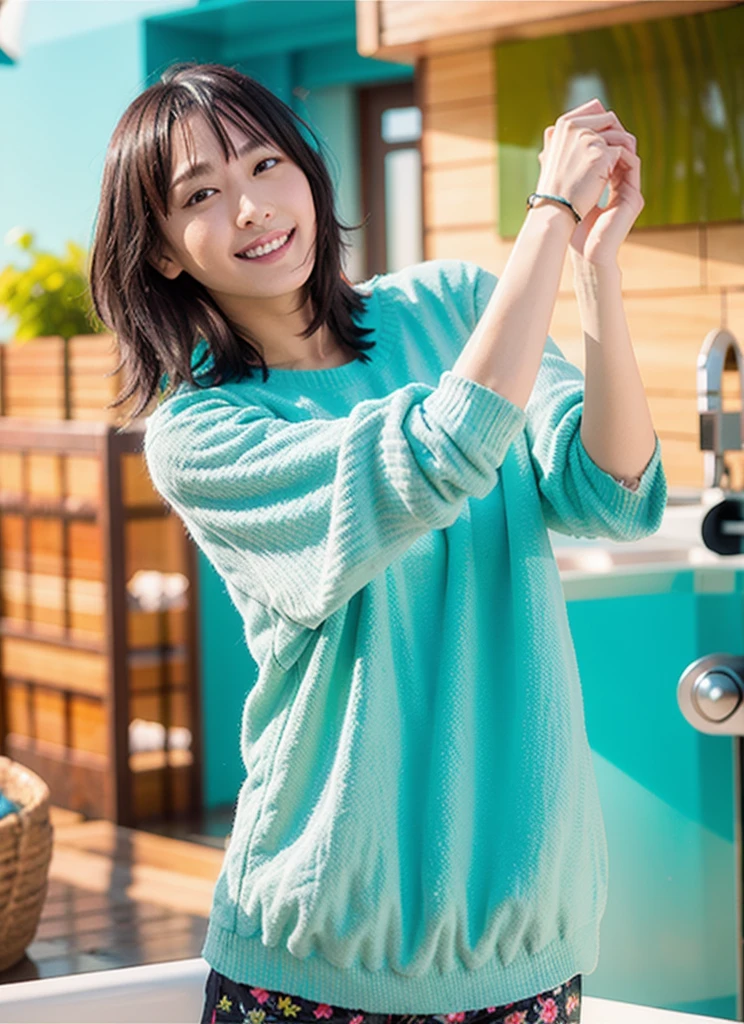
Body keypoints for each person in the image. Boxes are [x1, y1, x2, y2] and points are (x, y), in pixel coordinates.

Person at [88, 62, 666, 1024]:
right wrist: (549, 210)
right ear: (162, 254)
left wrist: (592, 265)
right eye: (201, 194)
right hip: (320, 954)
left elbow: (612, 495)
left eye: (266, 163)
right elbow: (437, 454)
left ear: (309, 174)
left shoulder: (459, 305)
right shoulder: (201, 433)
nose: (250, 208)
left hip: (525, 938)